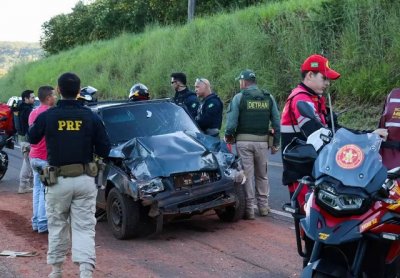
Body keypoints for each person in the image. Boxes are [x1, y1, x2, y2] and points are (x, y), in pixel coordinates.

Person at [28, 72, 111, 278]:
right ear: (78, 90)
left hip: (58, 182)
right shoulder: (91, 116)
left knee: (57, 225)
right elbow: (105, 149)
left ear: (58, 90)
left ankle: (56, 271)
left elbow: (32, 137)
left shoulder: (48, 116)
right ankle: (85, 272)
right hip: (84, 180)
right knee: (84, 227)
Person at [224, 69, 280, 220]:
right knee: (262, 175)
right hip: (262, 143)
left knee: (247, 176)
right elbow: (276, 122)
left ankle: (249, 210)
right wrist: (276, 143)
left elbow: (231, 123)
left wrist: (228, 136)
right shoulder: (268, 97)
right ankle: (263, 207)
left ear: (244, 82)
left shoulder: (239, 97)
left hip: (243, 142)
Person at [28, 86, 57, 234]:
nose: (56, 98)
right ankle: (42, 223)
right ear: (48, 98)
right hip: (46, 159)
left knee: (38, 190)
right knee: (47, 191)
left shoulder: (33, 113)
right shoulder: (50, 114)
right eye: (54, 95)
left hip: (34, 157)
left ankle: (36, 221)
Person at [17, 89, 35, 194]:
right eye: (32, 97)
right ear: (26, 99)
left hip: (22, 140)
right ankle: (23, 186)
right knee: (28, 163)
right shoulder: (27, 111)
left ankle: (25, 185)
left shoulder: (20, 108)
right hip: (27, 141)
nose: (34, 99)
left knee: (27, 162)